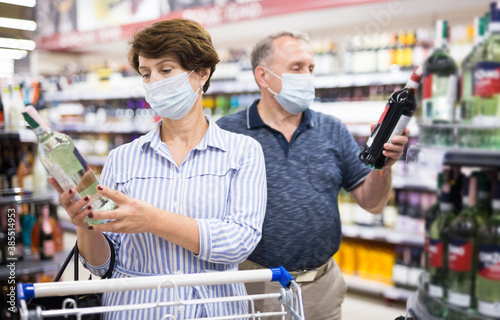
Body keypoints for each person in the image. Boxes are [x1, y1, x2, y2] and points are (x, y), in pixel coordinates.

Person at [49, 19, 267, 320]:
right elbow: (101, 265)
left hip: (215, 309)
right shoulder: (121, 158)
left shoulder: (243, 152)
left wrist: (151, 219)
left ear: (201, 74)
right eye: (146, 74)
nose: (154, 83)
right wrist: (85, 224)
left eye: (166, 70)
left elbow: (238, 242)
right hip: (135, 310)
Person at [217, 31, 409, 320]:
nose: (307, 76)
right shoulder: (228, 132)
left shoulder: (332, 129)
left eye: (310, 69)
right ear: (263, 76)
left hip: (321, 287)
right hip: (251, 288)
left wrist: (384, 165)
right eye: (296, 68)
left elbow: (373, 203)